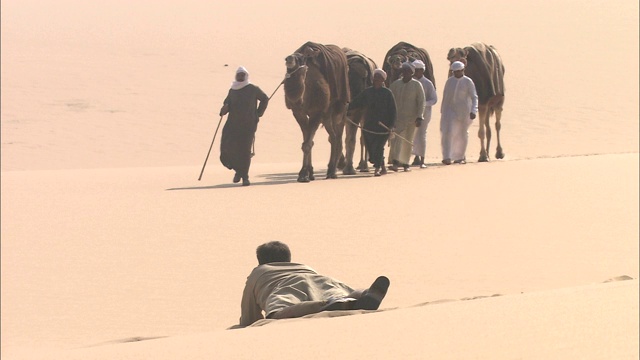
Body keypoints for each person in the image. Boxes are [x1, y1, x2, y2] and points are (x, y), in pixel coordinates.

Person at [237, 241, 390, 327]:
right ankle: (364, 293)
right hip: (322, 281)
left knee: (280, 312)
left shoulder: (258, 272)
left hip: (284, 287)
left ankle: (324, 305)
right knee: (346, 295)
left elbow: (249, 312)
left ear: (260, 260)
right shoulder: (304, 266)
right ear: (288, 258)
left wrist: (247, 325)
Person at [219, 66, 269, 186]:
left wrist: (258, 114)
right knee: (227, 147)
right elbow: (227, 102)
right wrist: (224, 108)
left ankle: (245, 176)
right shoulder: (233, 90)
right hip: (232, 124)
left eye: (242, 75)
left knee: (244, 150)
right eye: (239, 75)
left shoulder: (253, 88)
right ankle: (238, 171)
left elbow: (265, 99)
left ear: (246, 76)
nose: (240, 77)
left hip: (248, 124)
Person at [347, 69, 397, 177]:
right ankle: (382, 166)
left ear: (383, 80)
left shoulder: (387, 93)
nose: (377, 80)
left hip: (384, 126)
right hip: (369, 125)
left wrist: (392, 126)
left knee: (378, 147)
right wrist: (347, 109)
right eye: (375, 78)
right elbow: (357, 102)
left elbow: (393, 111)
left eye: (379, 78)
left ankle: (377, 169)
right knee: (371, 148)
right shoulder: (368, 92)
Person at [388, 62, 426, 172]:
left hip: (411, 119)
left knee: (407, 141)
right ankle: (395, 162)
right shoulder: (395, 85)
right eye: (404, 71)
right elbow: (390, 100)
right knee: (396, 141)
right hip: (398, 118)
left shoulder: (417, 85)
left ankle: (405, 164)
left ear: (411, 73)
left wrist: (419, 117)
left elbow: (421, 102)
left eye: (408, 71)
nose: (406, 73)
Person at [440, 61, 478, 165]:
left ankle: (460, 157)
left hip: (464, 112)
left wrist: (473, 110)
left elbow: (474, 97)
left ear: (462, 71)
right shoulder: (449, 81)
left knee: (462, 134)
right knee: (448, 132)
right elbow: (445, 96)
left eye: (458, 71)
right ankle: (447, 156)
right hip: (450, 111)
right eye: (454, 72)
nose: (456, 73)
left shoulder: (468, 81)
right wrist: (443, 110)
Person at [410, 60, 438, 168]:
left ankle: (422, 160)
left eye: (417, 70)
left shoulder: (427, 83)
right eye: (414, 70)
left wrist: (423, 104)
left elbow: (434, 99)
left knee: (421, 135)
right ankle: (413, 158)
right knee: (412, 135)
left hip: (425, 113)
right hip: (412, 112)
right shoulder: (411, 82)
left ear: (422, 70)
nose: (416, 72)